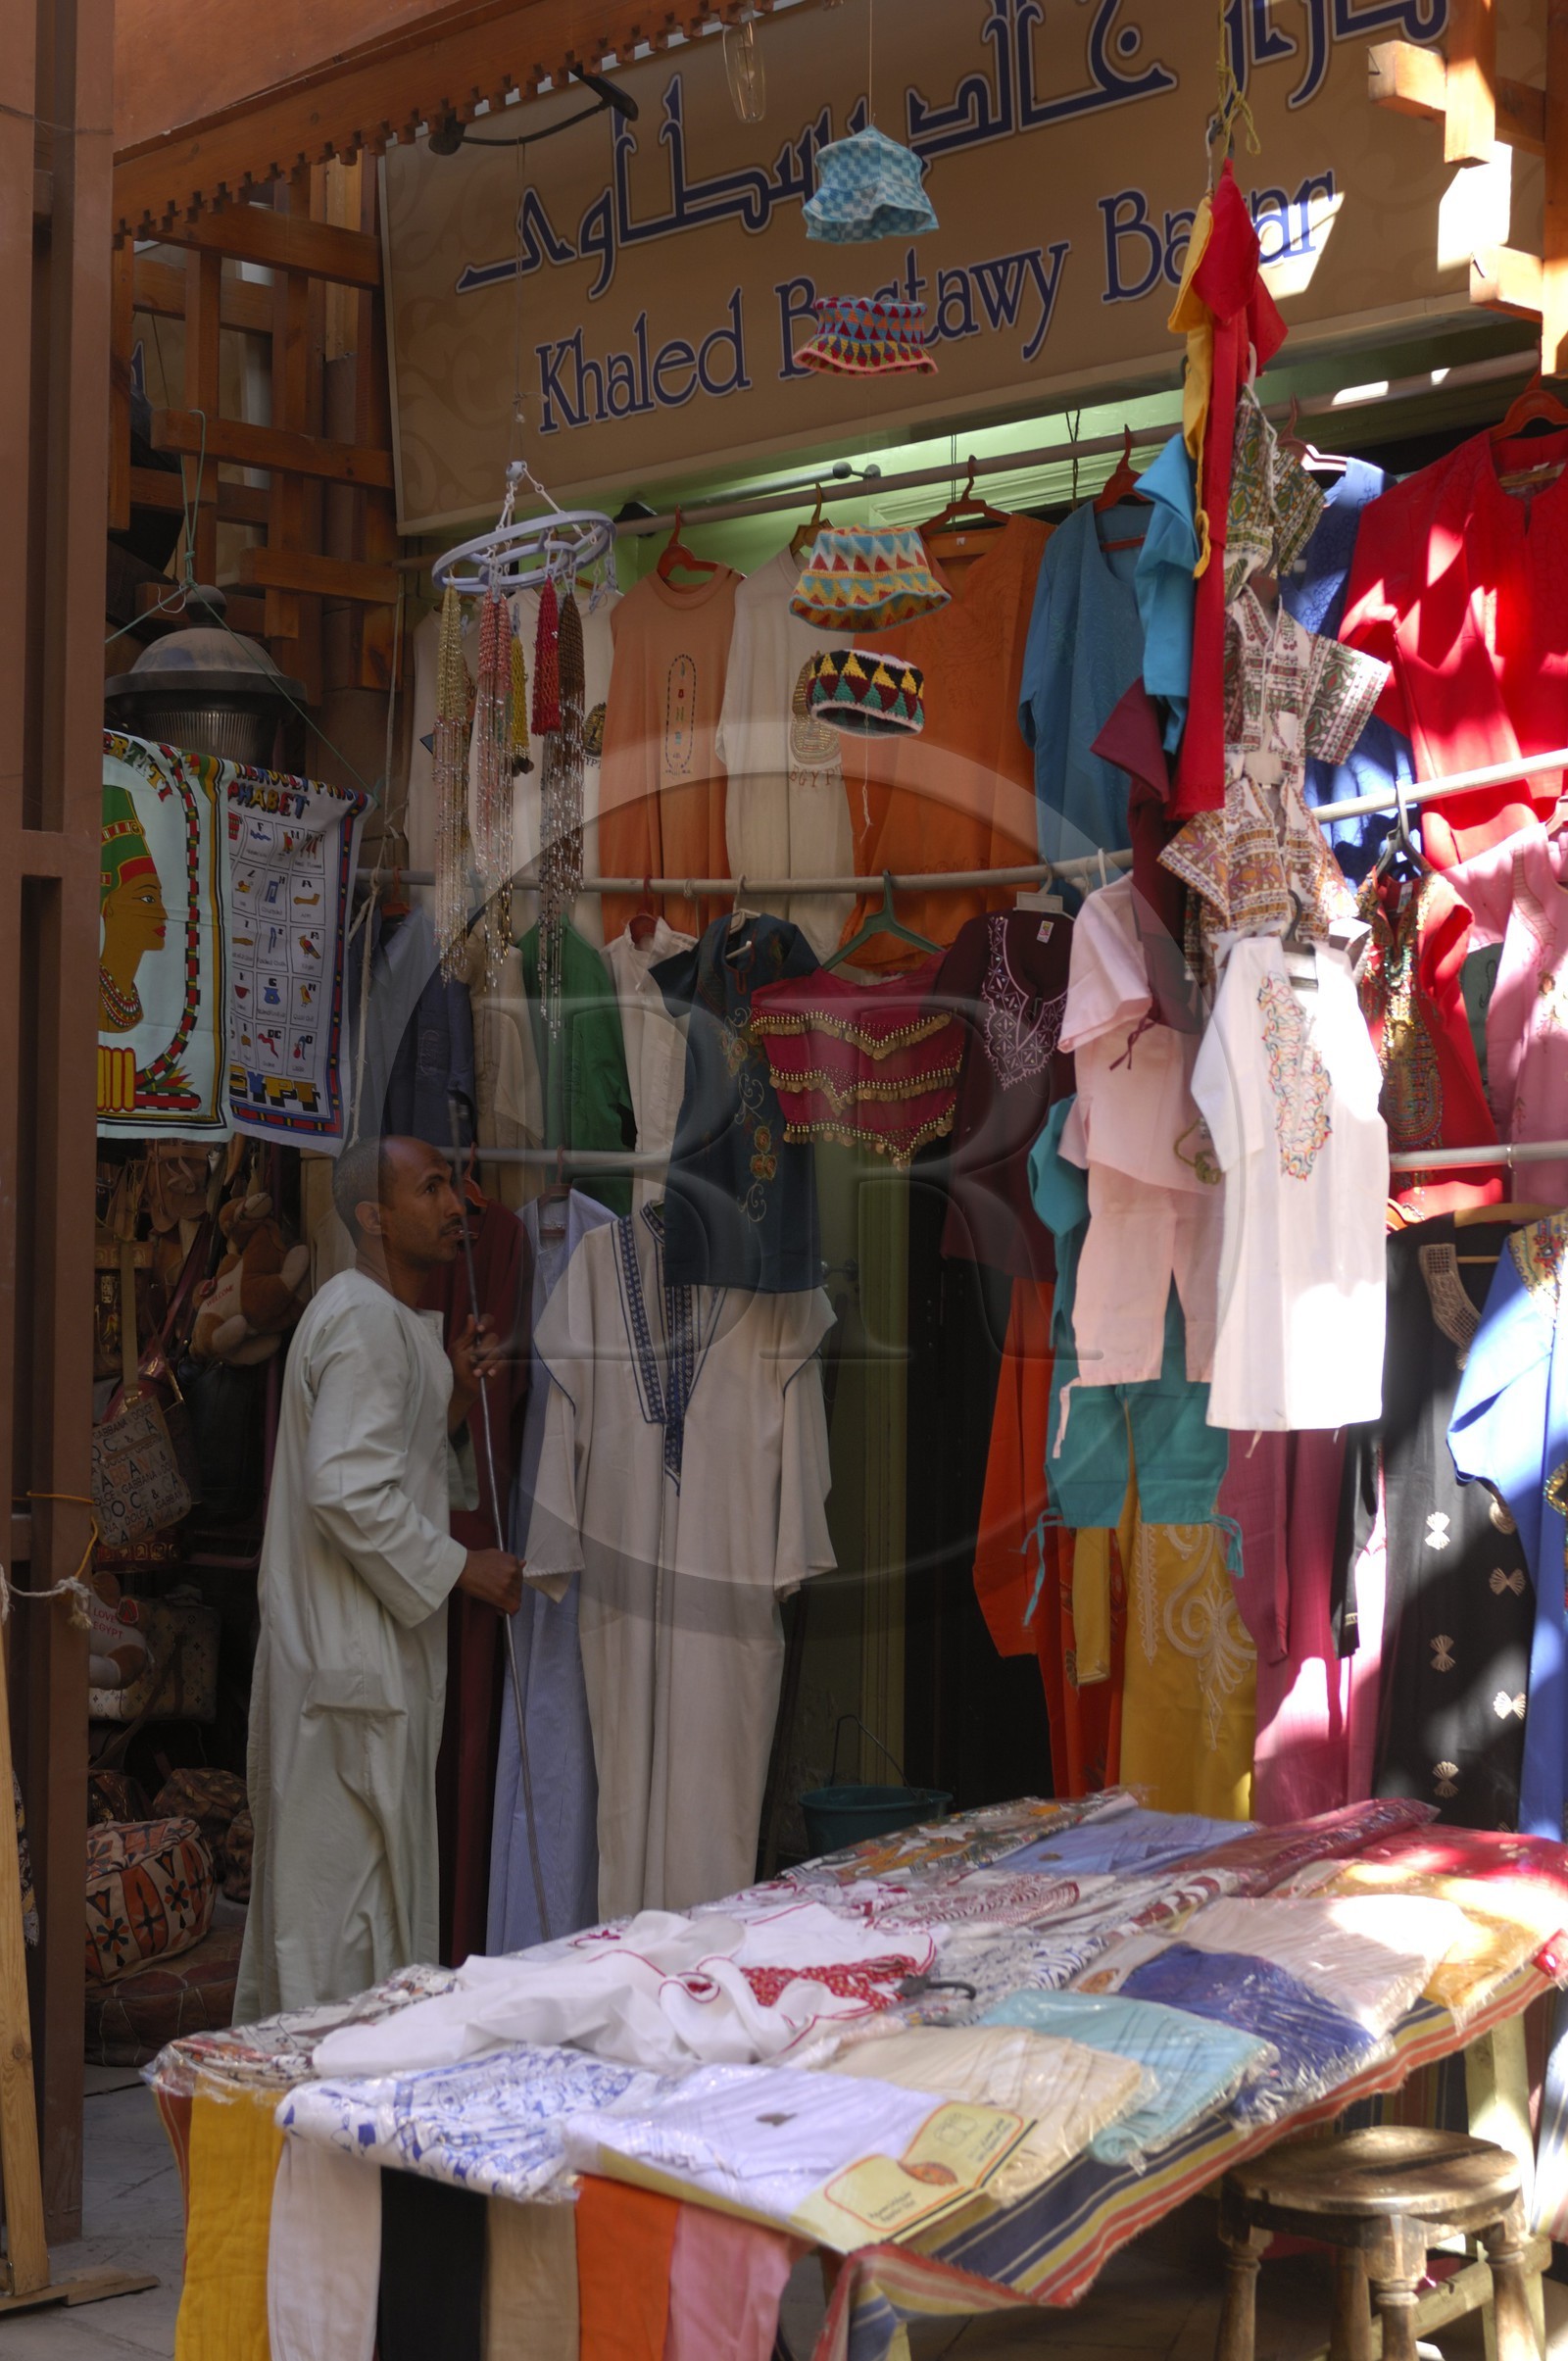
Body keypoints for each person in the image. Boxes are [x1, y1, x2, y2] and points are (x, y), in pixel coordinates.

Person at [235, 1134, 524, 2022]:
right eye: (432, 1188)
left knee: (354, 1926)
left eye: (452, 1186)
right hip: (346, 1675)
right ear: (373, 1214)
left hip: (355, 1668)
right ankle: (321, 2137)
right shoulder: (363, 1320)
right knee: (338, 1939)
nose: (454, 1205)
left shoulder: (382, 1319)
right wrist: (461, 1568)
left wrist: (448, 1402)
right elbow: (346, 1488)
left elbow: (383, 1466)